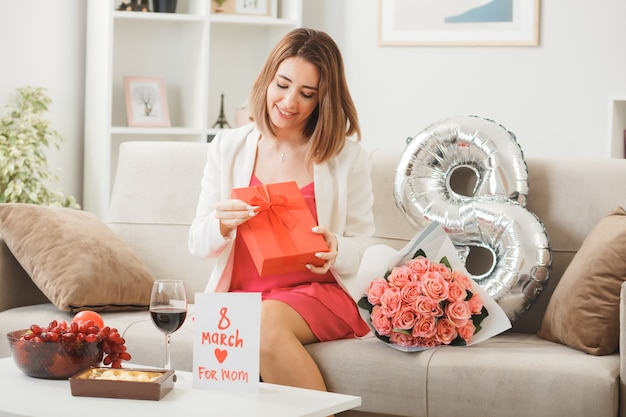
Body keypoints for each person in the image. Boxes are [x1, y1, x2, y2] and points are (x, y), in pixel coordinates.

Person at [188, 28, 375, 394]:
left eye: (307, 94)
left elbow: (365, 246)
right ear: (267, 79)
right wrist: (221, 225)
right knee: (242, 336)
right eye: (283, 85)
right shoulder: (228, 147)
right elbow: (197, 242)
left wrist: (336, 246)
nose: (290, 102)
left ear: (324, 98)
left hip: (317, 294)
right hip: (243, 297)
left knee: (259, 323)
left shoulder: (346, 157)